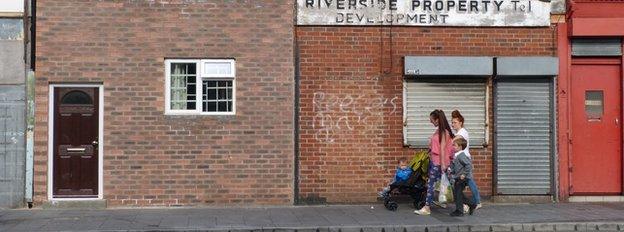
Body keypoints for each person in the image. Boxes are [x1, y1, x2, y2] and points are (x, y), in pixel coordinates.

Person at [415, 109, 454, 215]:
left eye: (431, 119)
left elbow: (442, 149)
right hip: (436, 161)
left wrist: (442, 165)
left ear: (437, 120)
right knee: (445, 184)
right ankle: (460, 204)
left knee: (432, 184)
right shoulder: (438, 131)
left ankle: (427, 207)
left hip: (439, 162)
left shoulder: (443, 132)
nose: (430, 121)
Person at [451, 110, 482, 211]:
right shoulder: (457, 132)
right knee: (464, 181)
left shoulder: (462, 132)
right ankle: (470, 202)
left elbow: (453, 141)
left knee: (468, 180)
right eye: (452, 122)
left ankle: (476, 202)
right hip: (459, 159)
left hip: (464, 159)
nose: (453, 124)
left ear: (460, 123)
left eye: (455, 122)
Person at [448, 137, 477, 216]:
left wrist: (464, 174)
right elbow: (456, 166)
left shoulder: (461, 156)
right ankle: (471, 204)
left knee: (457, 194)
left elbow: (468, 165)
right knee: (457, 193)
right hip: (458, 177)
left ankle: (459, 211)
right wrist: (451, 170)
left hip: (462, 178)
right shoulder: (456, 155)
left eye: (455, 145)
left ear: (460, 147)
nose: (453, 147)